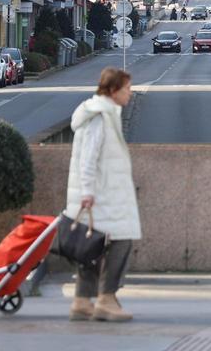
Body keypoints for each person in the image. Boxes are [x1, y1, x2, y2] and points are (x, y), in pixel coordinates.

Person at [64, 67, 141, 322]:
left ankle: (82, 301)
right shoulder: (99, 117)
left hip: (102, 194)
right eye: (127, 88)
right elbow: (88, 159)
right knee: (122, 241)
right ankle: (106, 298)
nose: (130, 93)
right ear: (112, 90)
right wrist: (87, 192)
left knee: (91, 247)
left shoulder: (105, 113)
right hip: (101, 195)